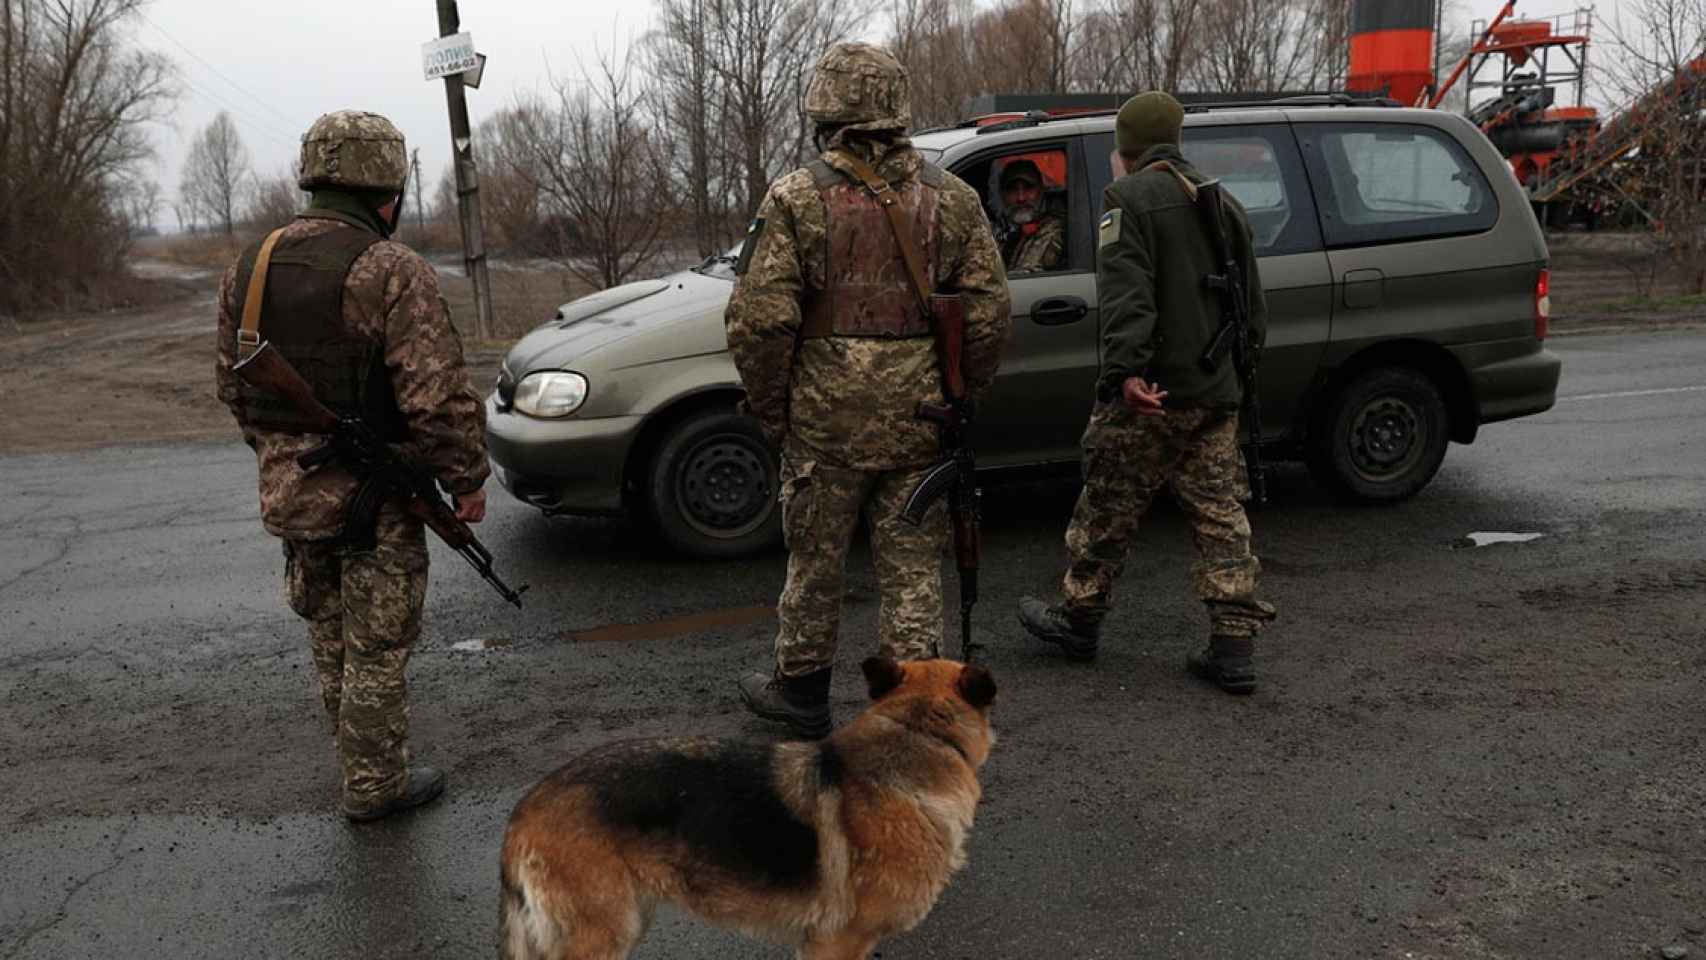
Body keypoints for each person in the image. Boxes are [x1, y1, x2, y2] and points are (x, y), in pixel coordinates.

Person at [725, 42, 1011, 738]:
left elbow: (760, 320)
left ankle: (800, 691)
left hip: (825, 424)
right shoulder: (953, 198)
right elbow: (989, 309)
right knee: (913, 562)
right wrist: (965, 389)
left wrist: (772, 409)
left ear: (823, 110)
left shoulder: (797, 196)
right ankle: (916, 708)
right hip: (921, 419)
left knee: (816, 558)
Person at [214, 110, 490, 819]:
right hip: (374, 495)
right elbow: (437, 396)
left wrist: (281, 455)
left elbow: (232, 385)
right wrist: (466, 481)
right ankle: (374, 784)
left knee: (330, 634)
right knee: (377, 643)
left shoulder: (252, 264)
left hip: (291, 492)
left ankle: (359, 761)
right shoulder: (390, 268)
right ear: (387, 193)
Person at [1016, 91, 1276, 694]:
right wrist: (1236, 378)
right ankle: (1233, 645)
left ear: (1127, 147)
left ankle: (1079, 620)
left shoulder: (1127, 197)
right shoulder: (1222, 200)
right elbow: (1252, 305)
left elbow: (1127, 291)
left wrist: (1125, 373)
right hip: (1215, 390)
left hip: (1153, 392)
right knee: (1220, 515)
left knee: (1107, 504)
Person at [996, 158, 1065, 273]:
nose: (1021, 198)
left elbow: (1024, 276)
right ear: (1003, 195)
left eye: (1028, 188)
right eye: (1013, 190)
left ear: (1041, 191)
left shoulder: (1052, 230)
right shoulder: (1002, 232)